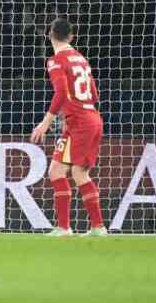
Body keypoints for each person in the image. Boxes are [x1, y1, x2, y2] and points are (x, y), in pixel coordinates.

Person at [30, 18, 106, 237]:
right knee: (56, 171)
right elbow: (93, 94)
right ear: (71, 37)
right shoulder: (81, 59)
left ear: (50, 34)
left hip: (80, 122)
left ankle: (98, 227)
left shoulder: (55, 61)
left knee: (78, 172)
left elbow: (61, 92)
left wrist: (45, 123)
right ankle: (64, 228)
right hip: (87, 117)